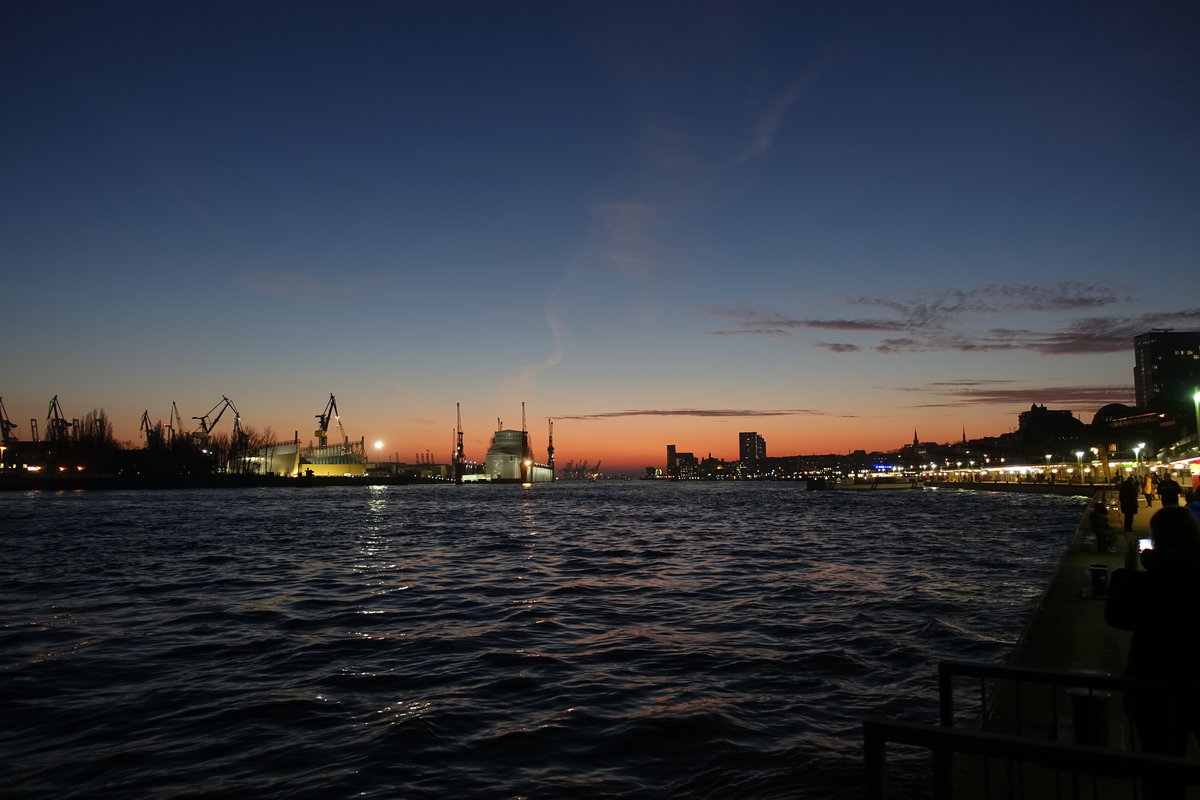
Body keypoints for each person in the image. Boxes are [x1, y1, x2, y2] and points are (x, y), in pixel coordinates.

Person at [1105, 507, 1200, 800]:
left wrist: (1128, 570)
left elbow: (1118, 616)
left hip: (1153, 688)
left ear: (1156, 538)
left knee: (1162, 770)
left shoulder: (1148, 584)